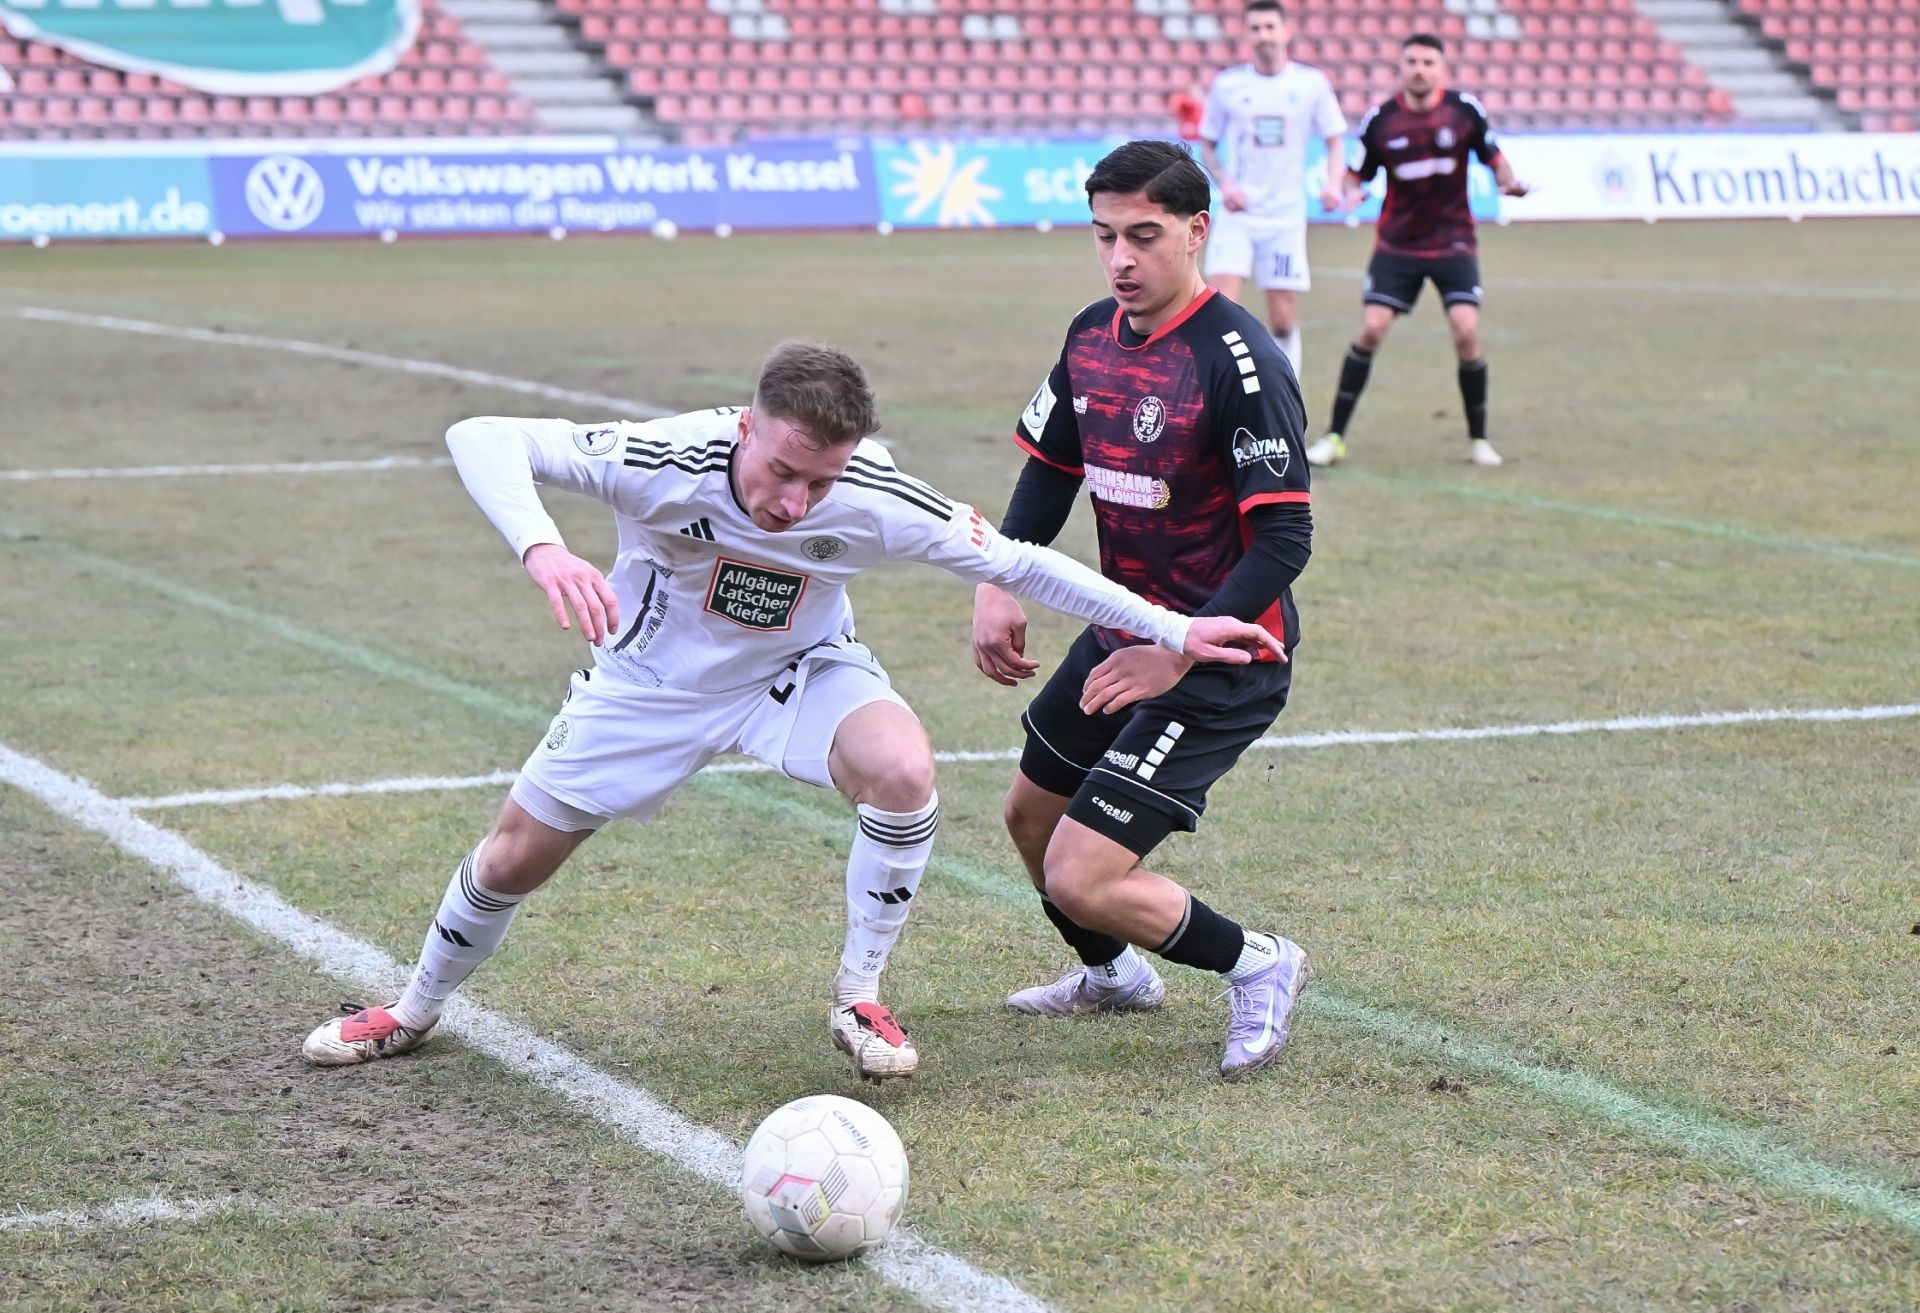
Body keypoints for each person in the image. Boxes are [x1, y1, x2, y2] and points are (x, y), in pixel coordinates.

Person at [301, 340, 1283, 1082]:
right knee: (510, 858)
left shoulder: (873, 492)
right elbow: (481, 436)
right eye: (783, 471)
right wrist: (544, 548)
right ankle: (413, 1008)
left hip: (799, 669)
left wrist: (1176, 627)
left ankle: (860, 996)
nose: (797, 502)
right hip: (648, 685)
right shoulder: (664, 454)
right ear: (747, 427)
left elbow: (1022, 563)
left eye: (822, 479)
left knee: (902, 767)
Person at [971, 140, 1316, 1082]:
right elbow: (1051, 473)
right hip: (1123, 631)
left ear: (1197, 232)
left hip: (1223, 657)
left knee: (1080, 873)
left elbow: (1285, 540)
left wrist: (1179, 650)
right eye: (1104, 236)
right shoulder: (1090, 335)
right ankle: (1114, 975)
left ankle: (1260, 962)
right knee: (1031, 818)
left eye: (1143, 236)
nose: (1120, 259)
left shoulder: (1240, 361)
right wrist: (997, 578)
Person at [1305, 31, 1530, 469]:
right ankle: (1334, 437)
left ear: (1441, 69)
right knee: (1371, 329)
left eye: (1428, 63)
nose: (1420, 70)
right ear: (1401, 67)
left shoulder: (1463, 111)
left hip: (1453, 240)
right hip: (1398, 243)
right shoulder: (1382, 120)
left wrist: (1510, 183)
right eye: (1412, 62)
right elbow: (1356, 174)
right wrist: (1350, 193)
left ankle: (1479, 439)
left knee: (1466, 330)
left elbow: (1494, 158)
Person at [1198, 0, 1347, 377]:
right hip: (1238, 215)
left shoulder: (1310, 84)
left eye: (1269, 27)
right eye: (1255, 28)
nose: (1263, 35)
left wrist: (1333, 184)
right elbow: (1208, 143)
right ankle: (1216, 392)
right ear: (1246, 34)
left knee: (1282, 318)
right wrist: (1225, 184)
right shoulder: (1229, 85)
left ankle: (1286, 391)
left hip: (1284, 218)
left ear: (1285, 31)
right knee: (1216, 307)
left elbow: (1335, 140)